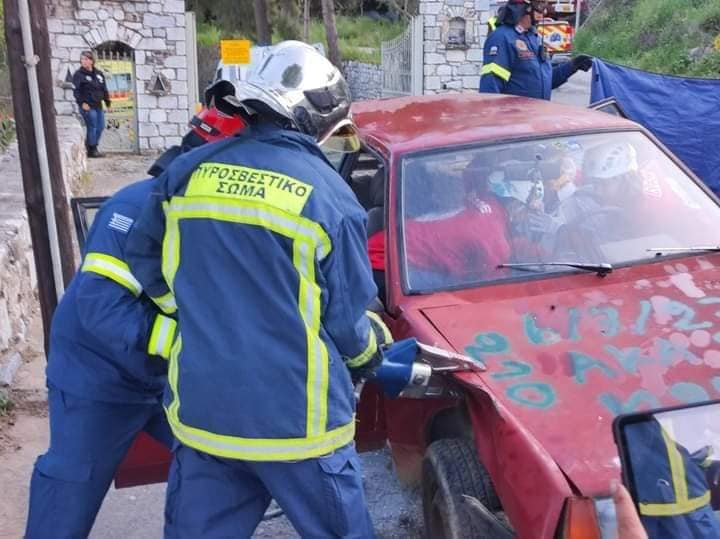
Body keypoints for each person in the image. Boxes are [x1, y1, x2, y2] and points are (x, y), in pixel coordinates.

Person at [125, 41, 391, 538]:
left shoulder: (187, 173)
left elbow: (146, 262)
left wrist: (198, 312)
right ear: (316, 117)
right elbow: (345, 321)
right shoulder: (328, 196)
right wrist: (372, 352)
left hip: (206, 418)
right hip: (299, 427)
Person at [24, 87, 247, 539]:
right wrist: (187, 345)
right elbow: (99, 305)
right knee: (71, 493)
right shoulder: (134, 208)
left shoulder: (218, 219)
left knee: (220, 467)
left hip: (166, 378)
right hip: (97, 376)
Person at [479, 0, 593, 100]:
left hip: (537, 115)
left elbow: (545, 81)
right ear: (525, 7)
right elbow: (491, 86)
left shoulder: (533, 37)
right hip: (515, 116)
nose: (544, 12)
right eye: (540, 6)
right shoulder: (502, 38)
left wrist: (572, 66)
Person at [73, 51, 111, 158]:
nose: (83, 61)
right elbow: (76, 91)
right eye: (82, 59)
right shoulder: (78, 75)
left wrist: (107, 102)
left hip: (98, 105)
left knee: (100, 127)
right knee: (92, 126)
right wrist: (82, 103)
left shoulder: (99, 74)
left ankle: (89, 146)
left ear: (92, 61)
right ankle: (92, 150)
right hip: (87, 106)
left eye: (86, 59)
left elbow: (104, 89)